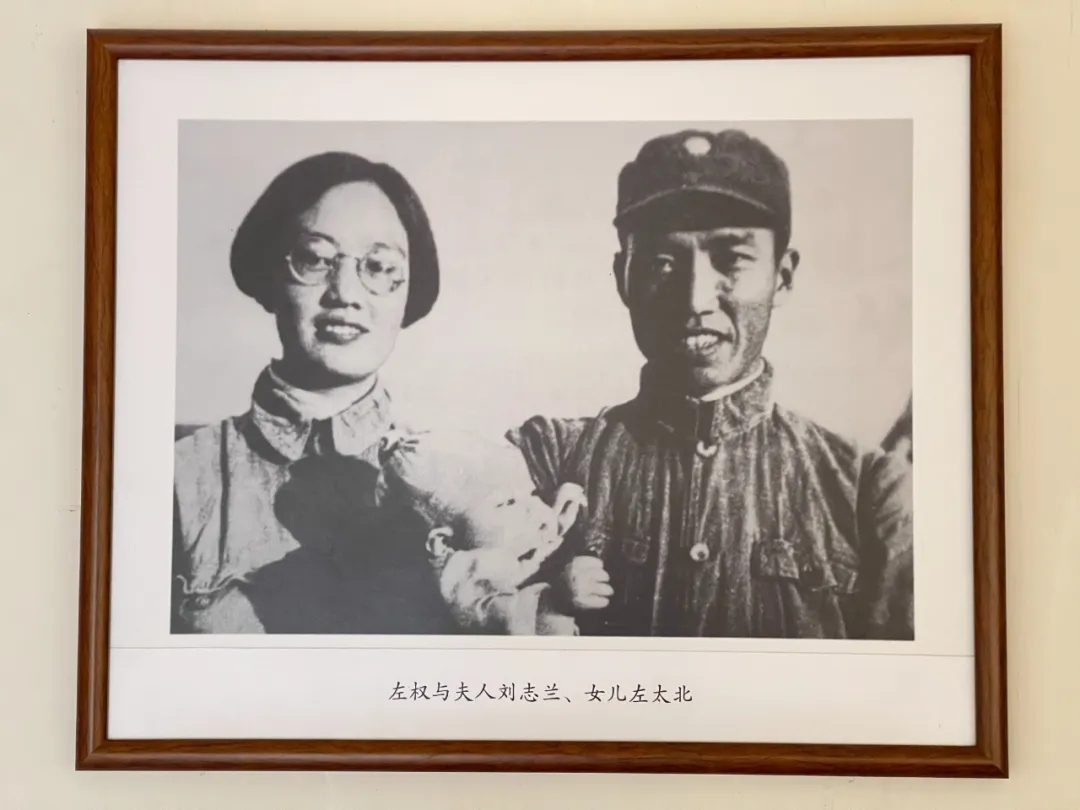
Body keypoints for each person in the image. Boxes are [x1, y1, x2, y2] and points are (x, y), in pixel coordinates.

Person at [509, 129, 914, 639]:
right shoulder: (548, 458)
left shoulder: (865, 491)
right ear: (622, 277)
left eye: (732, 259)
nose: (695, 300)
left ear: (783, 276)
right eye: (662, 262)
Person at [171, 151, 455, 634]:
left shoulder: (458, 476)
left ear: (409, 291)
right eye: (315, 259)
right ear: (269, 276)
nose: (345, 292)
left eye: (379, 266)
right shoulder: (180, 477)